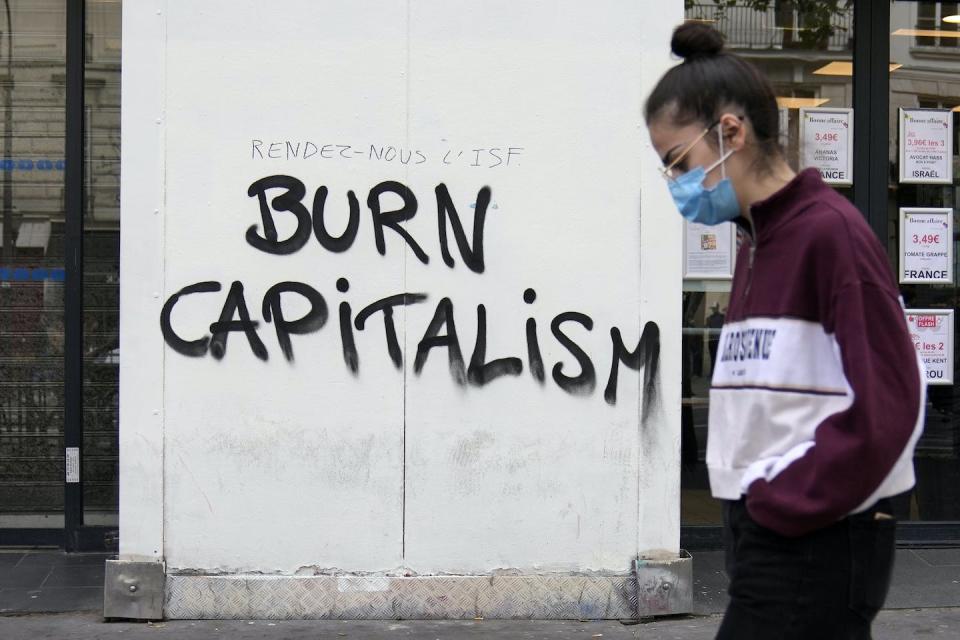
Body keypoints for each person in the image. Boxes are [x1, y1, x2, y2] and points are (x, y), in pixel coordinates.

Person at [644, 22, 926, 639]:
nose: (676, 184)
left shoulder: (829, 236)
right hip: (772, 524)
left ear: (731, 132)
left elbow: (890, 404)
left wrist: (782, 502)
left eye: (678, 161)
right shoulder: (757, 240)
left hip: (813, 532)